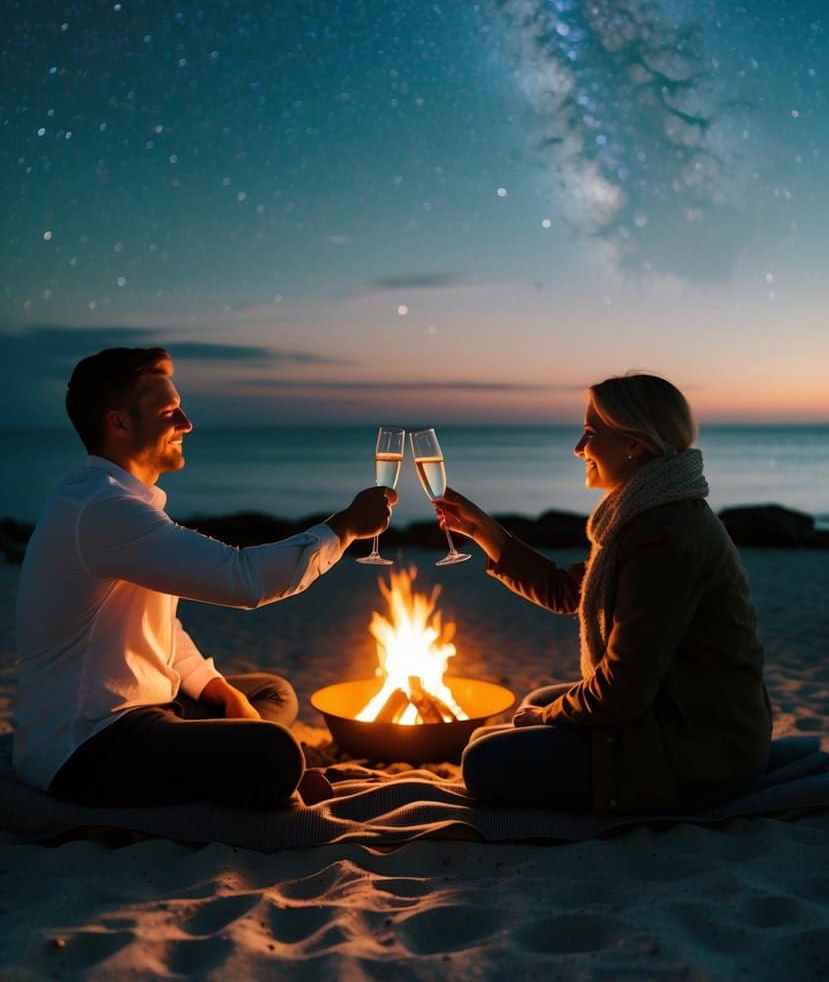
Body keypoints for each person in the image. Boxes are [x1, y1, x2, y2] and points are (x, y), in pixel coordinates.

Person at [13, 346, 396, 809]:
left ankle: (221, 760)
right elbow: (242, 580)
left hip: (149, 710)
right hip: (85, 742)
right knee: (271, 751)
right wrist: (346, 527)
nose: (187, 424)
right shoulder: (102, 510)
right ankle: (251, 778)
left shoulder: (120, 503)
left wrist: (218, 690)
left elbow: (162, 628)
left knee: (271, 694)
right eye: (169, 412)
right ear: (119, 423)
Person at [435, 373, 772, 813]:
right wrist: (481, 529)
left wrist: (547, 718)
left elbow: (620, 693)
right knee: (535, 704)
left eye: (591, 434)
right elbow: (567, 591)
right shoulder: (648, 513)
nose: (579, 448)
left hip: (700, 748)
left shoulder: (664, 536)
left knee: (483, 761)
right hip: (681, 709)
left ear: (633, 443)